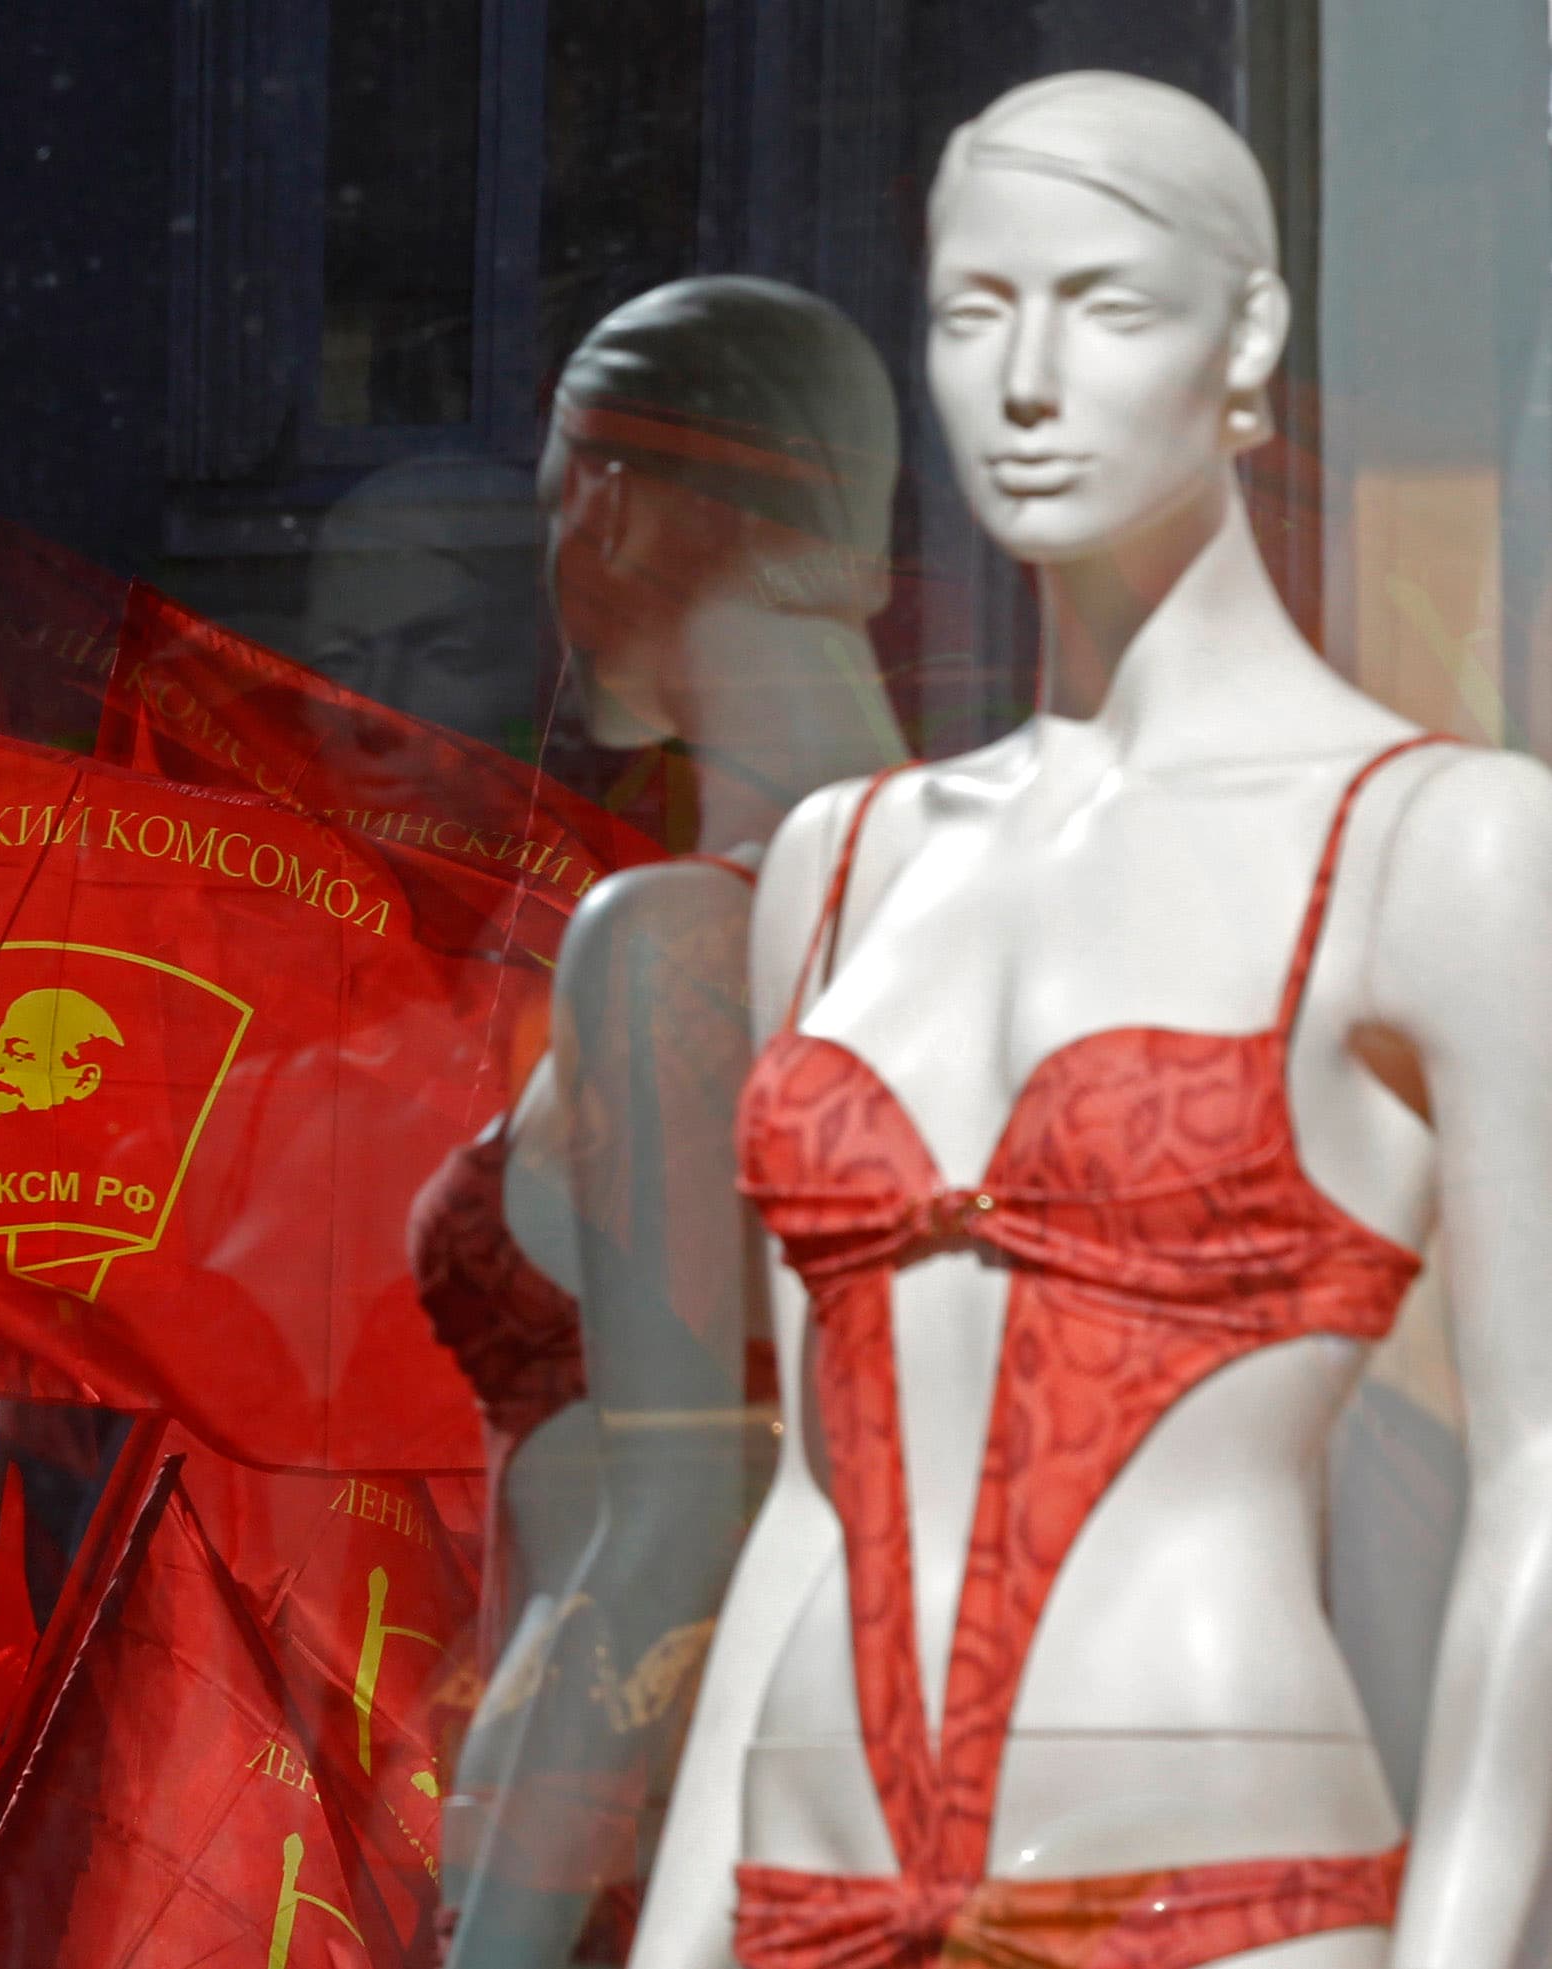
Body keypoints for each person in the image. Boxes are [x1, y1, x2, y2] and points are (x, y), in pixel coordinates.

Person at [639, 72, 1552, 1969]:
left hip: (1212, 1889)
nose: (1030, 381)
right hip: (804, 1892)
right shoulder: (839, 865)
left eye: (1108, 305)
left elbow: (1541, 1477)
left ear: (1251, 336)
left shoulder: (1435, 844)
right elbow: (813, 1489)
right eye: (974, 312)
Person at [418, 277, 903, 1969]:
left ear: (612, 505)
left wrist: (506, 1936)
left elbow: (677, 1512)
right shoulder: (971, 919)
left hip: (624, 1857)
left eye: (554, 507)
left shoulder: (679, 943)